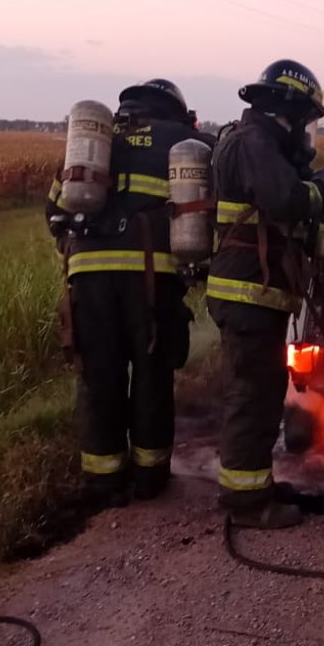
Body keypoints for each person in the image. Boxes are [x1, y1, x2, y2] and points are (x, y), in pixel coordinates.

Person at [207, 59, 324, 529]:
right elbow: (288, 201)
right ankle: (247, 505)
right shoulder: (255, 142)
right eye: (307, 120)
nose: (307, 133)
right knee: (251, 397)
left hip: (256, 294)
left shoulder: (260, 145)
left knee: (264, 395)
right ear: (285, 108)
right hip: (248, 293)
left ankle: (257, 487)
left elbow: (300, 236)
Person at [46, 79, 217, 509]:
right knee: (152, 375)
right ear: (176, 108)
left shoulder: (95, 140)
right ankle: (149, 477)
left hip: (88, 275)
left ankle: (103, 483)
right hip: (151, 277)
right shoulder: (186, 141)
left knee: (98, 376)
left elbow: (54, 208)